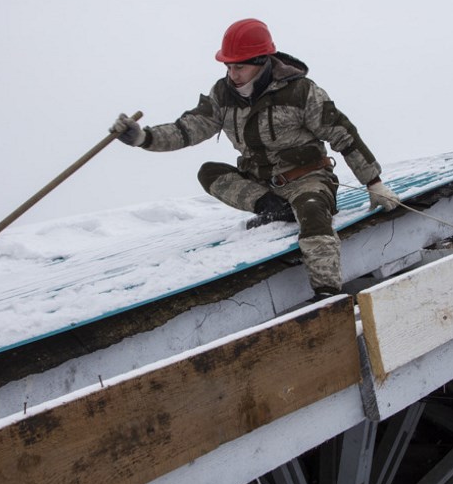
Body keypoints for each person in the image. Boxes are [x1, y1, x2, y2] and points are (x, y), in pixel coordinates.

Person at [110, 18, 400, 302]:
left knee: (312, 213)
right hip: (262, 184)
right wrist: (142, 138)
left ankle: (327, 294)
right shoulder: (222, 95)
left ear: (262, 62)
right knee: (209, 172)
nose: (232, 74)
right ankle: (275, 209)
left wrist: (373, 183)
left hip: (307, 180)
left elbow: (344, 135)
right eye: (228, 66)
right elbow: (187, 129)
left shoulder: (302, 92)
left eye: (240, 66)